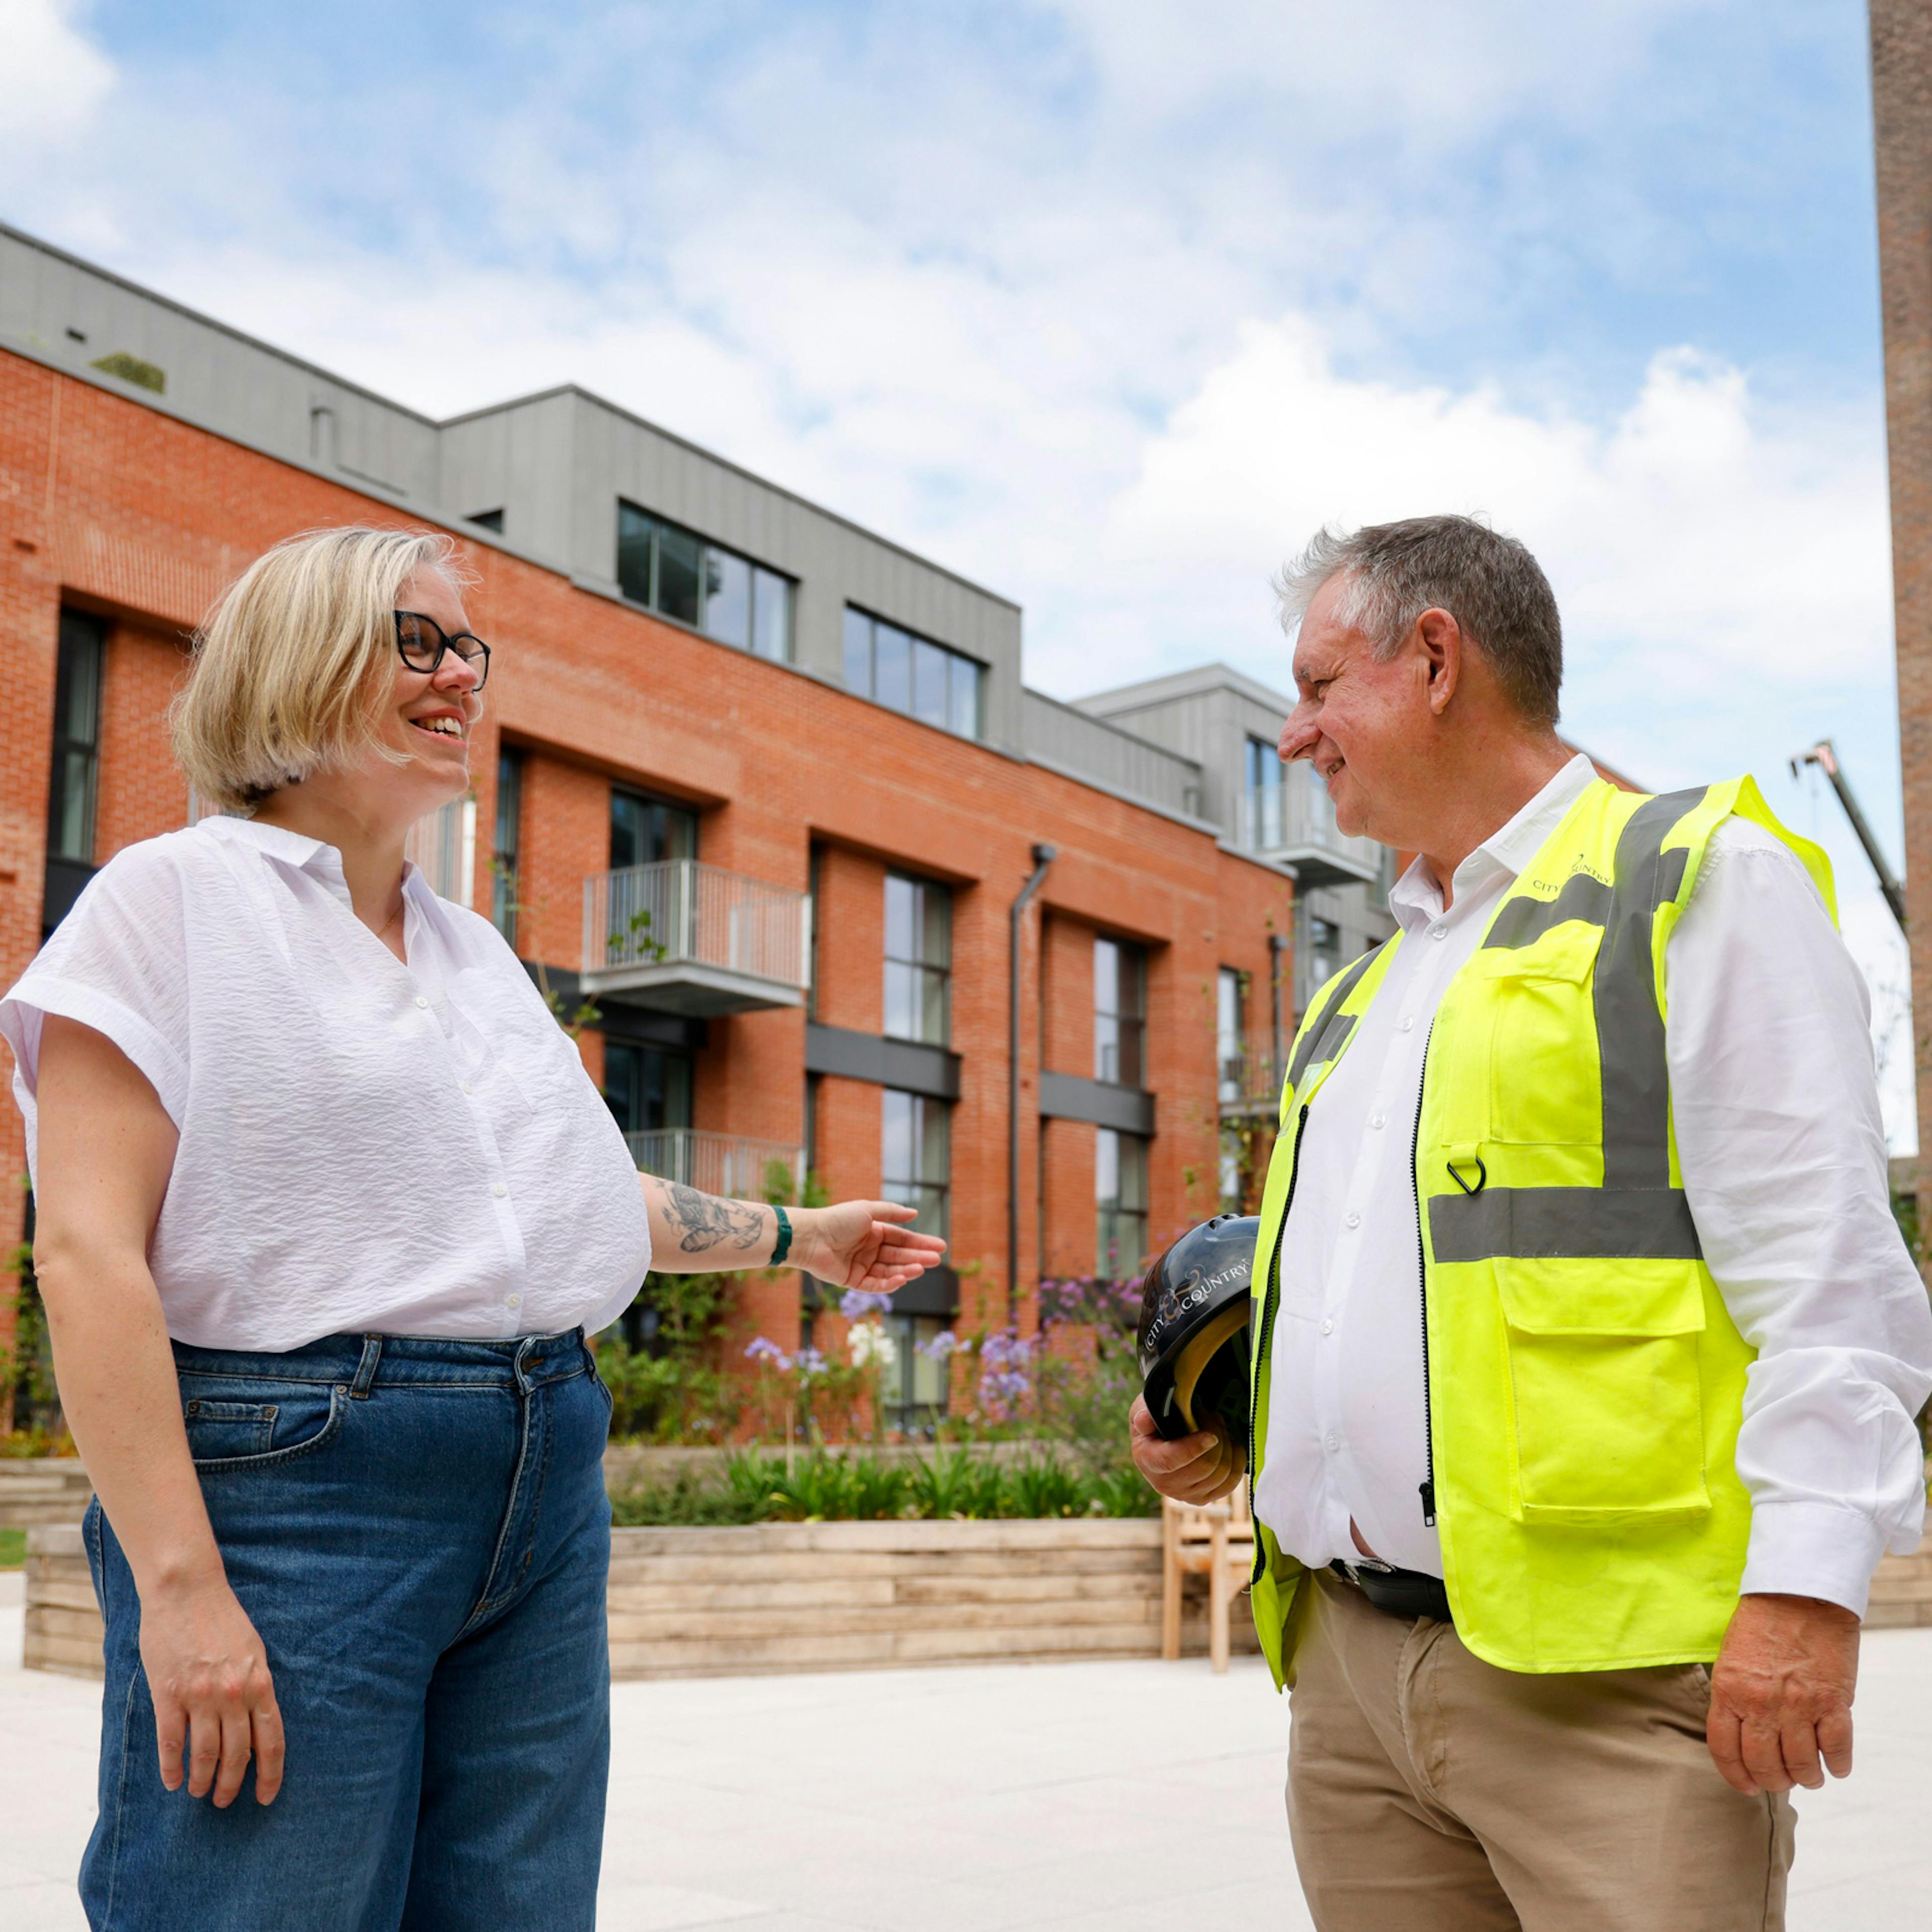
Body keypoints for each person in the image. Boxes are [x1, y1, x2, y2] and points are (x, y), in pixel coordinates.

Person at [0, 524, 946, 1931]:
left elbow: (550, 1208)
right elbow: (84, 1255)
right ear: (297, 660)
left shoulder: (474, 952)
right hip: (302, 1495)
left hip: (544, 1486)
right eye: (418, 641)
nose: (460, 678)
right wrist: (182, 1594)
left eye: (470, 650)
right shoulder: (169, 902)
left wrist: (796, 1232)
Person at [1130, 515, 1932, 1932]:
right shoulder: (1365, 992)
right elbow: (1382, 1296)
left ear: (1436, 657)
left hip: (1614, 1696)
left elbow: (1829, 1277)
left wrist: (1809, 1594)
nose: (1297, 735)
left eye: (1320, 689)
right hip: (1353, 1689)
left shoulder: (1694, 882)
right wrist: (1232, 1421)